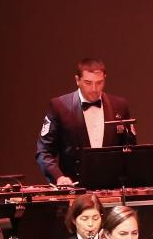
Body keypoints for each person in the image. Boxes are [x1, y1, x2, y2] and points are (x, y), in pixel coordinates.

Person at [37, 57, 137, 187]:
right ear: (77, 80)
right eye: (88, 83)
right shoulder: (59, 106)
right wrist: (59, 177)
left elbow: (130, 149)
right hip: (74, 189)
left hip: (112, 188)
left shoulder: (120, 105)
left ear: (105, 78)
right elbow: (44, 151)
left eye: (99, 82)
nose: (94, 89)